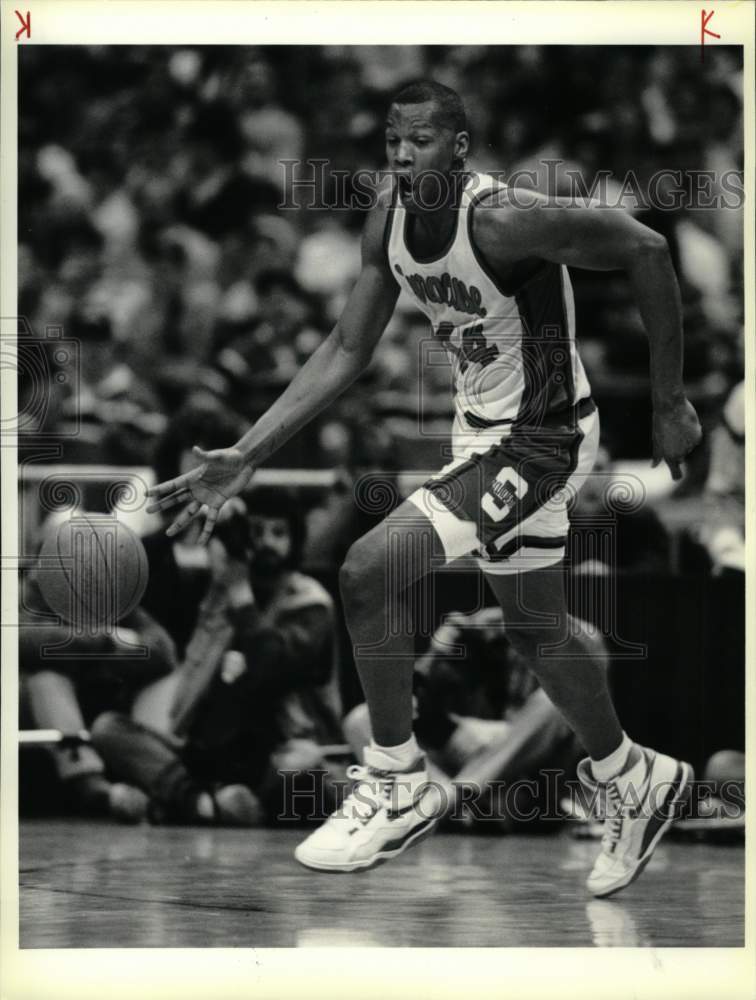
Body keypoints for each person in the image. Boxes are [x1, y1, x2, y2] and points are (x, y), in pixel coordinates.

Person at [146, 80, 702, 897]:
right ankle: (632, 775)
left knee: (366, 570)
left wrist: (670, 402)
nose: (402, 155)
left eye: (421, 140)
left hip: (542, 436)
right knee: (536, 629)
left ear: (460, 148)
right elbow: (347, 346)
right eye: (392, 140)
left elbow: (646, 248)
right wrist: (250, 453)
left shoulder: (505, 220)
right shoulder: (390, 216)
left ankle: (397, 777)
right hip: (483, 434)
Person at [92, 488, 342, 825]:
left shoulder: (310, 602)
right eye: (255, 532)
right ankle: (202, 803)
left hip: (280, 748)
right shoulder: (219, 590)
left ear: (295, 540)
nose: (266, 543)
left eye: (278, 533)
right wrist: (209, 524)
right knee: (108, 729)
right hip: (209, 749)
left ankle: (181, 803)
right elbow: (150, 571)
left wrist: (240, 594)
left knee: (301, 766)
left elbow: (269, 664)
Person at [343, 606, 596, 830]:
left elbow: (583, 722)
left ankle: (455, 798)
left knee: (556, 702)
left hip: (526, 765)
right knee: (362, 718)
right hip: (468, 750)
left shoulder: (583, 637)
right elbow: (416, 699)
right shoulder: (482, 625)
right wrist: (435, 654)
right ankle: (440, 800)